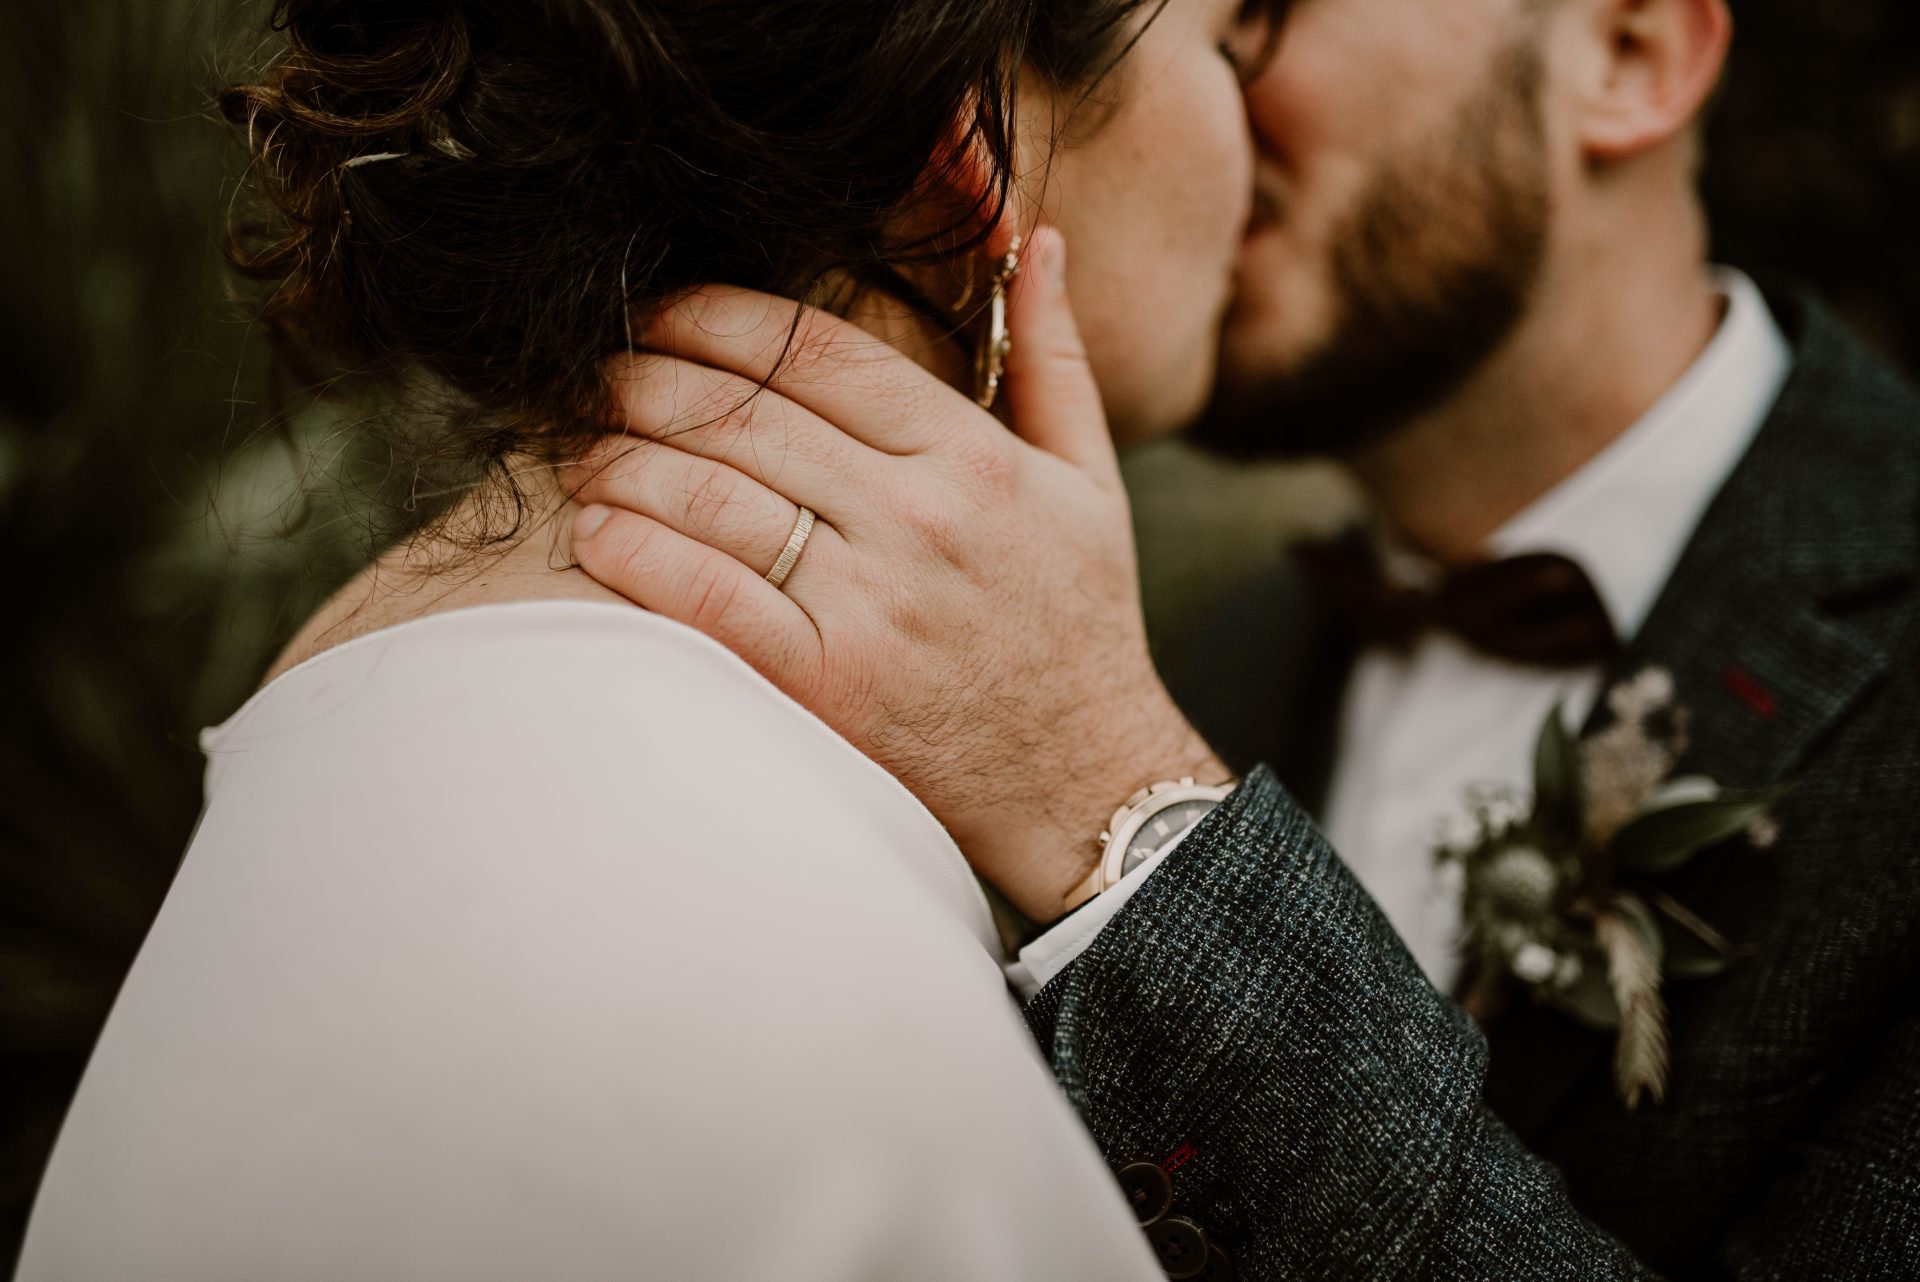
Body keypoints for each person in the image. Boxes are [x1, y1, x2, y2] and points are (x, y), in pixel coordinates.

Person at [565, 0, 1920, 1275]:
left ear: (1625, 52)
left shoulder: (1094, 708)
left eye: (1264, 9)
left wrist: (1120, 799)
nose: (1190, 89)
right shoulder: (1220, 648)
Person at [15, 1, 1285, 1278]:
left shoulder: (348, 705)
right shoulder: (792, 986)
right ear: (983, 160)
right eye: (1232, 44)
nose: (1264, 128)